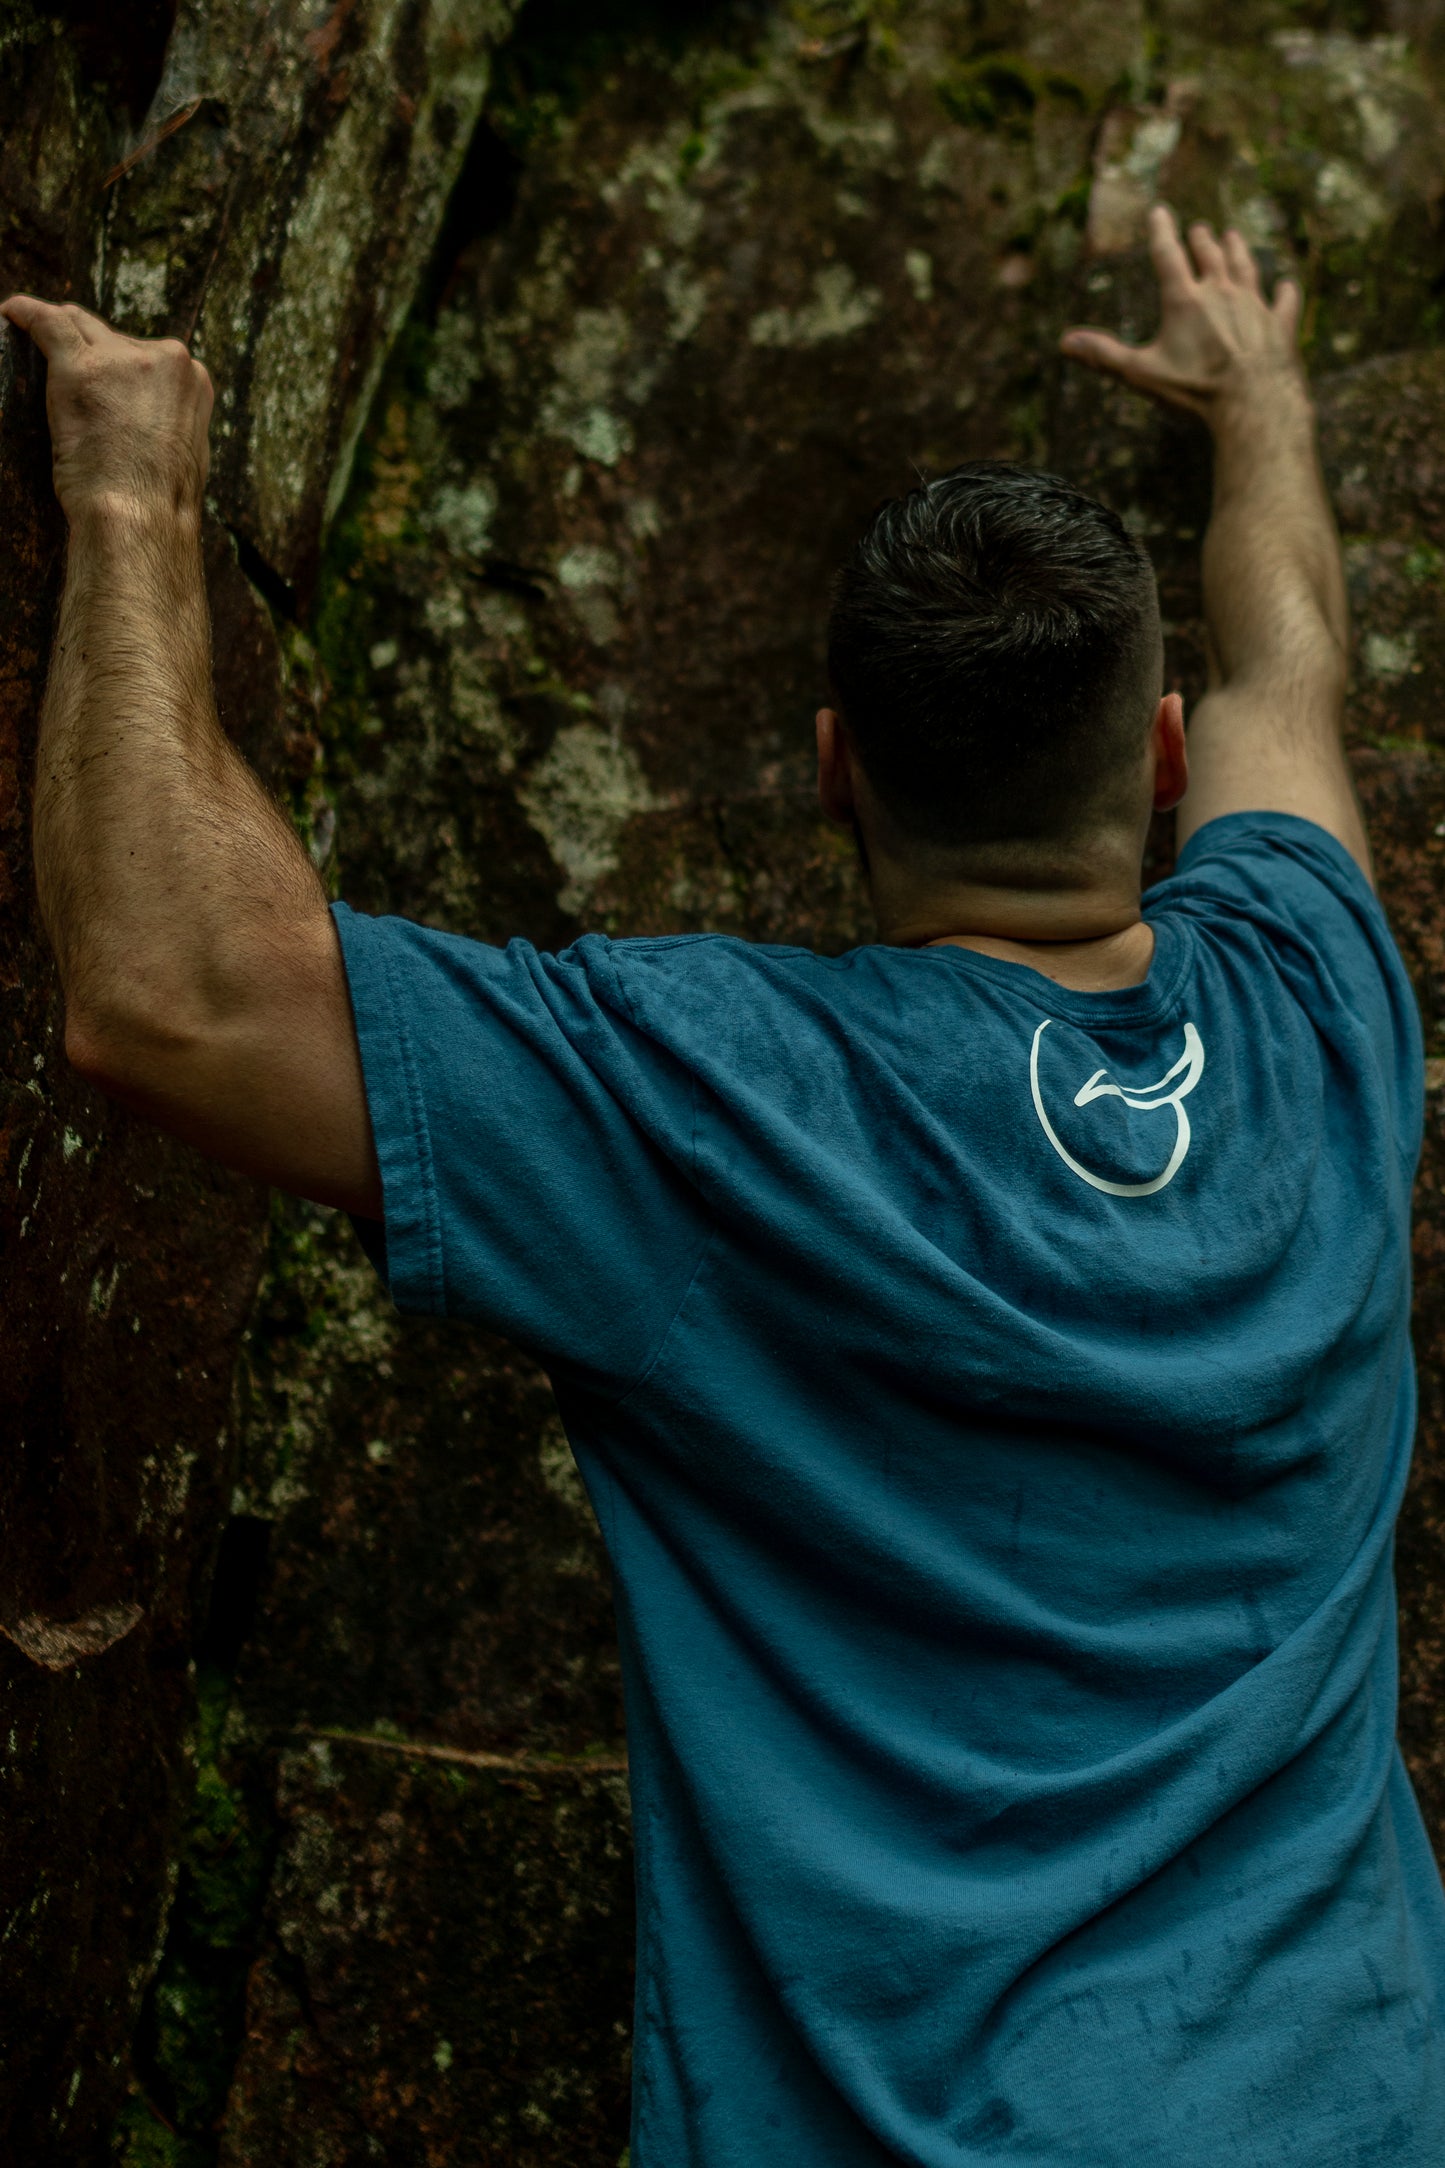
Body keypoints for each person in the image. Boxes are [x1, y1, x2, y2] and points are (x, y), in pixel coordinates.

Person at [6, 204, 1442, 2163]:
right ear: (1170, 760)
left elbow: (170, 988)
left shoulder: (716, 1101)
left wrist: (132, 502)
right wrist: (1261, 401)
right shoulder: (1321, 1006)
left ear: (833, 767)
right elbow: (1297, 654)